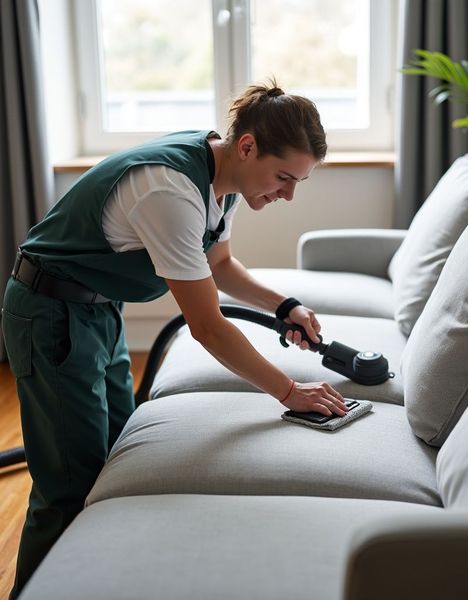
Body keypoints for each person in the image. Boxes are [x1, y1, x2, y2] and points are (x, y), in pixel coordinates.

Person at [2, 81, 348, 598]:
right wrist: (288, 391)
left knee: (117, 457)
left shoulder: (222, 180)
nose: (287, 194)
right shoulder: (170, 189)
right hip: (51, 315)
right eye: (283, 178)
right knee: (69, 487)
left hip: (99, 311)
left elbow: (221, 266)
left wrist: (284, 306)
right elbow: (207, 326)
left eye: (297, 182)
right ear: (248, 146)